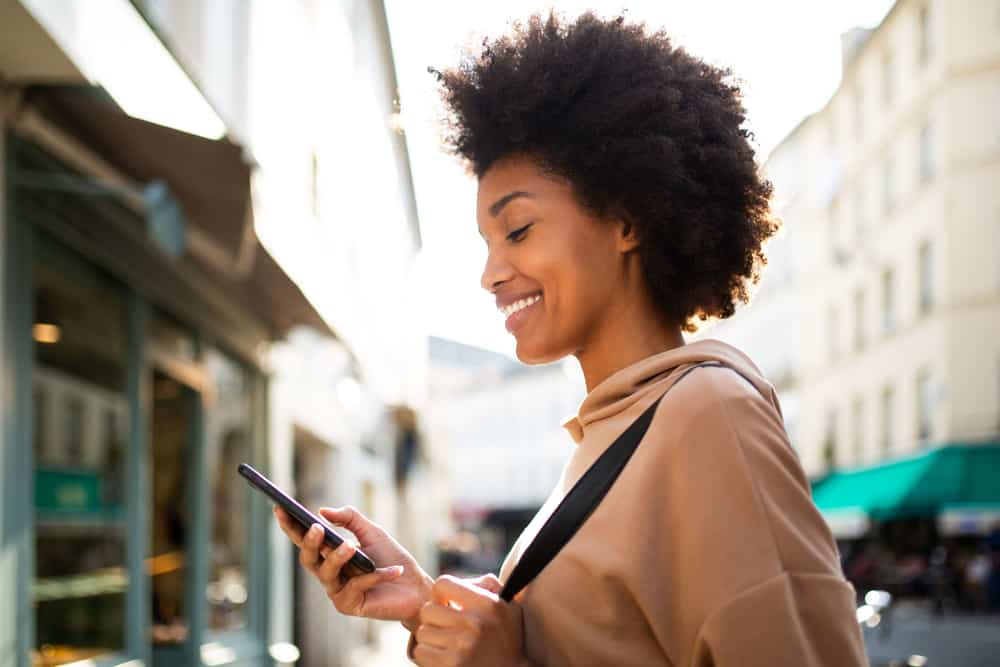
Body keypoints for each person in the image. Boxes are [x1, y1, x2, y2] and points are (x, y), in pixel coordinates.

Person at [275, 11, 866, 666]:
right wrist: (422, 604)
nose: (491, 273)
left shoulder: (709, 417)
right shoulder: (609, 432)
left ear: (626, 219)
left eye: (519, 230)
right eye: (487, 243)